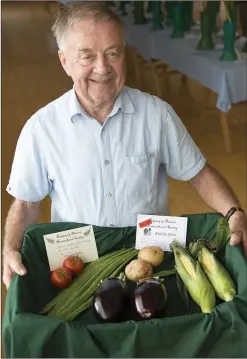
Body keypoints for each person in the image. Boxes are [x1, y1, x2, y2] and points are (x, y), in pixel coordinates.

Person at [2, 1, 247, 289]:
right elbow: (27, 202)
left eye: (113, 53)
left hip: (151, 263)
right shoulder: (41, 128)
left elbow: (200, 174)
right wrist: (10, 249)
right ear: (64, 60)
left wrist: (234, 212)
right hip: (79, 269)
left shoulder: (157, 115)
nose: (102, 68)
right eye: (86, 56)